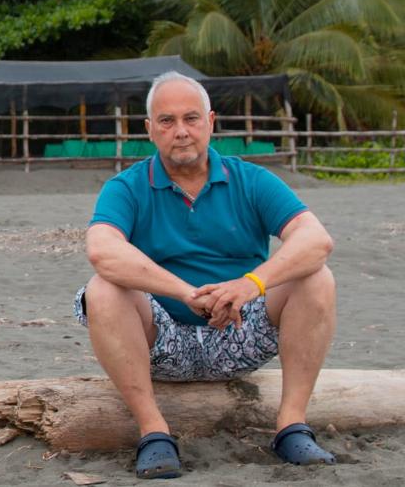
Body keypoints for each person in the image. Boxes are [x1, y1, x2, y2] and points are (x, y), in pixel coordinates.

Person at [73, 71, 337, 478]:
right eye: (167, 121)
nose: (180, 131)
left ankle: (291, 426)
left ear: (211, 122)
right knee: (103, 288)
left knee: (317, 277)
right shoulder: (126, 187)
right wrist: (185, 293)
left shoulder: (250, 180)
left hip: (240, 331)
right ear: (149, 130)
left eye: (191, 118)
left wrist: (250, 285)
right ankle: (154, 432)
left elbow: (316, 240)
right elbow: (102, 251)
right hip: (164, 342)